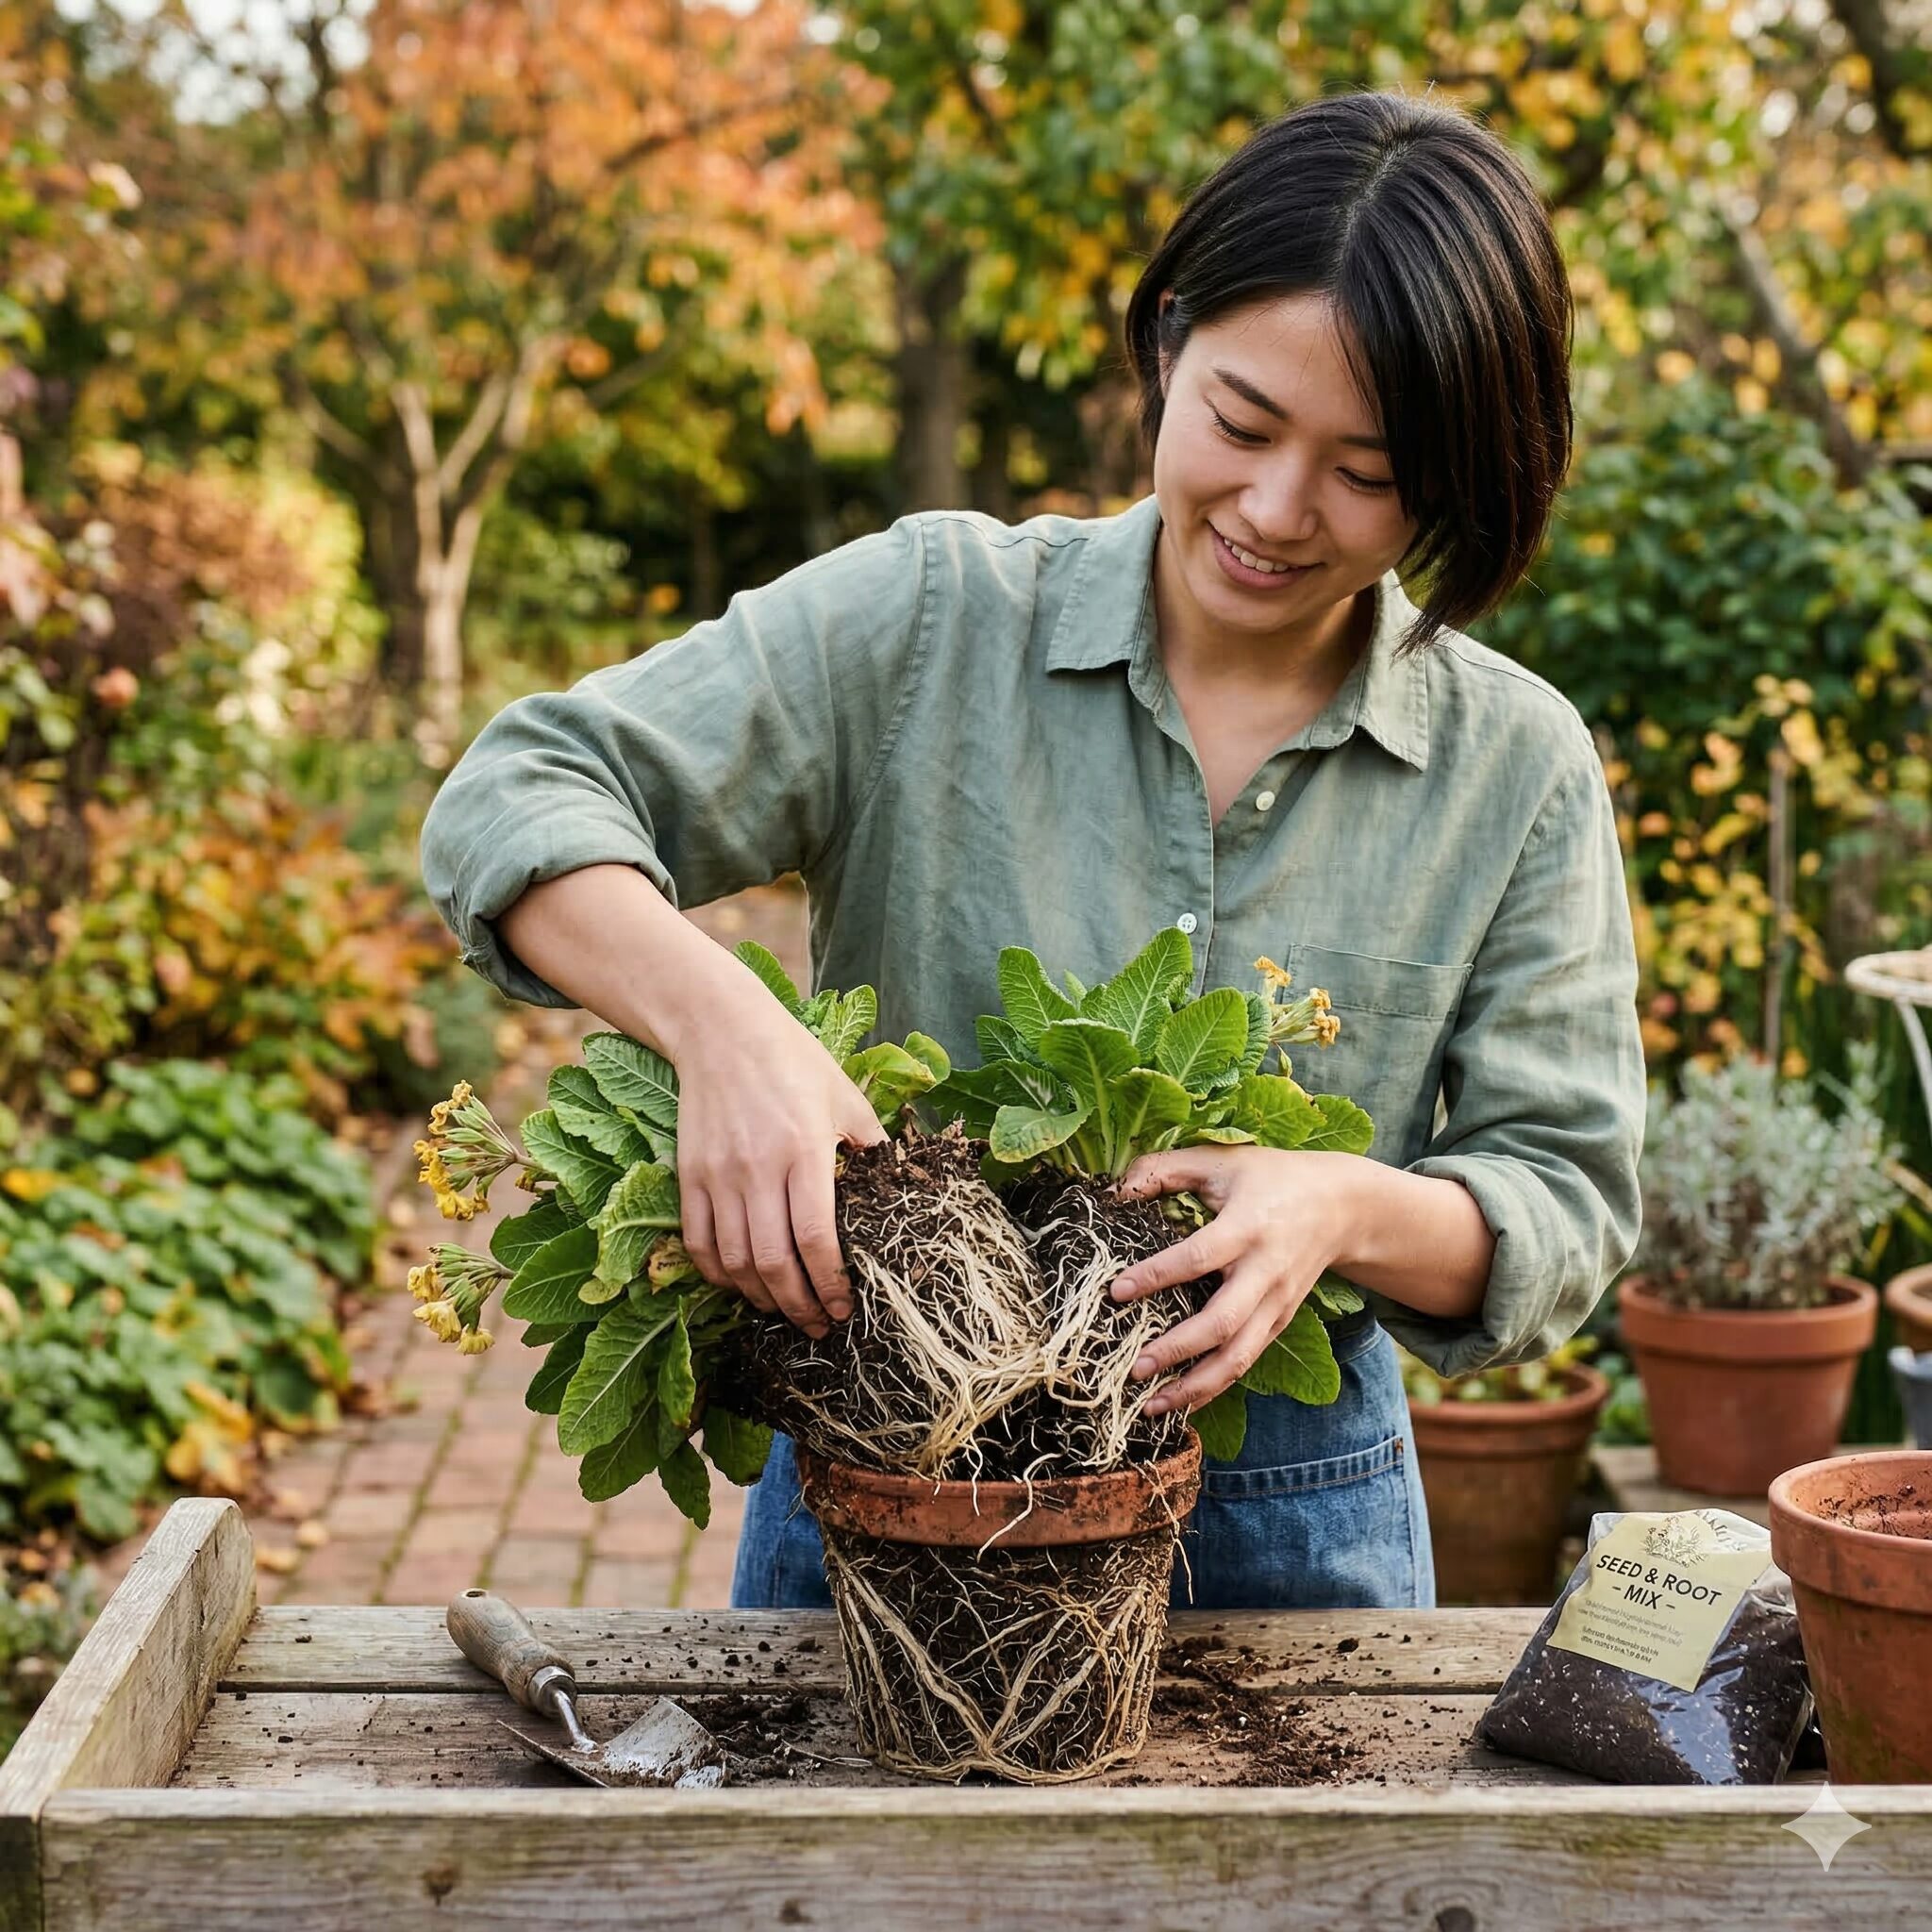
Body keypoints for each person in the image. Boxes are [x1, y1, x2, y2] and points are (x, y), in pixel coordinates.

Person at [419, 89, 1645, 1614]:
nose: (1276, 508)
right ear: (1166, 347)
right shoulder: (932, 618)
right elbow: (521, 789)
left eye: (1368, 472)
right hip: (897, 1471)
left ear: (1462, 475)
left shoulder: (1512, 763)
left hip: (1291, 1523)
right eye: (1242, 423)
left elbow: (1564, 1193)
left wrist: (1337, 1203)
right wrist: (721, 1025)